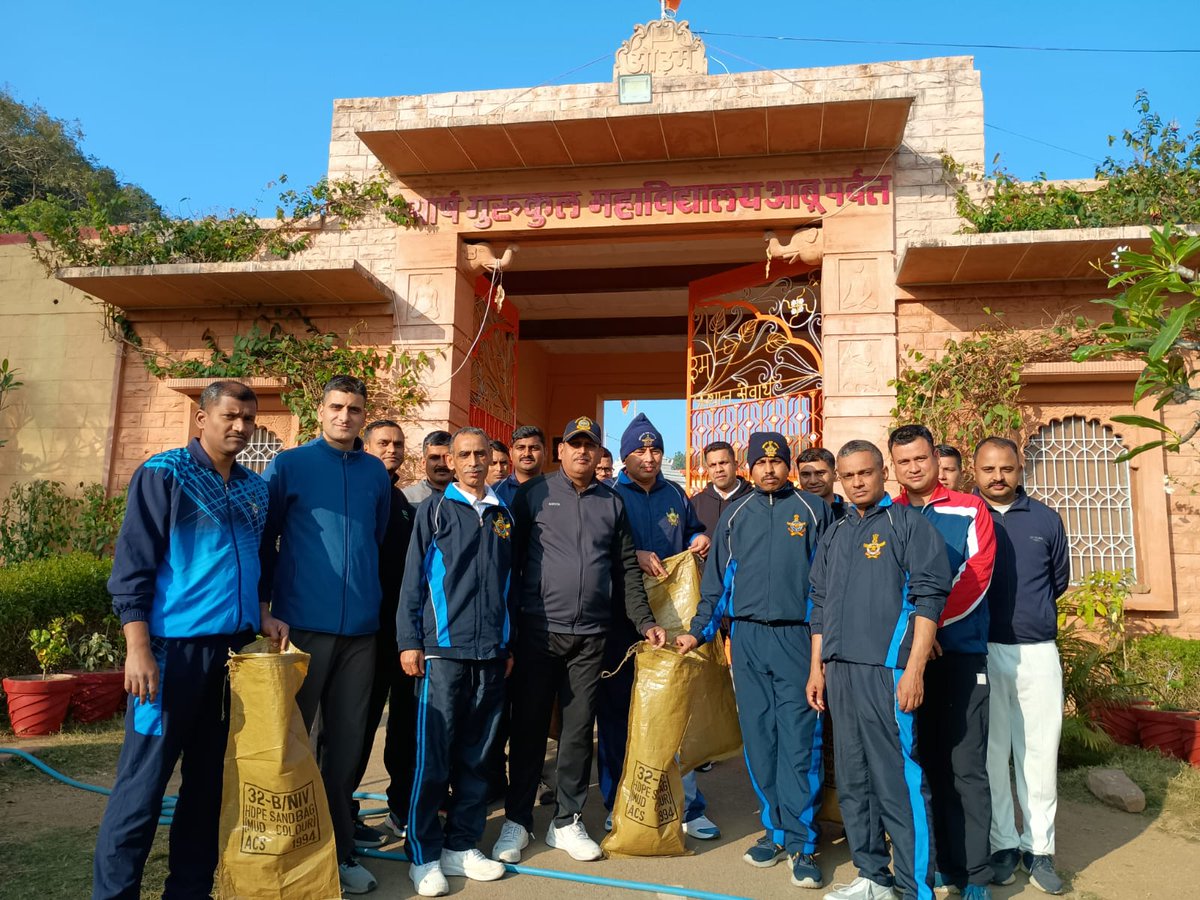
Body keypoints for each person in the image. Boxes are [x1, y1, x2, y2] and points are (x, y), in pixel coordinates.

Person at [93, 380, 278, 900]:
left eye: (249, 419)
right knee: (142, 787)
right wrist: (138, 648)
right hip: (171, 655)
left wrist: (263, 613)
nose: (240, 427)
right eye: (230, 416)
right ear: (203, 418)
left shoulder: (254, 487)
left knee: (207, 787)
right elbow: (133, 568)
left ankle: (190, 891)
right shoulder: (164, 474)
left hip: (232, 657)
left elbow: (262, 563)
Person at [492, 415, 667, 864]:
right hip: (538, 632)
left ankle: (566, 821)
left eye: (590, 446)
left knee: (576, 733)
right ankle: (516, 820)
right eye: (575, 445)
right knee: (529, 728)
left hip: (591, 637)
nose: (583, 452)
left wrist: (645, 622)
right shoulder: (534, 495)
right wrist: (508, 632)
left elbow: (627, 568)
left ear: (596, 453)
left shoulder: (612, 503)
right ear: (561, 451)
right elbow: (509, 567)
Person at [677, 431, 833, 889]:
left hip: (798, 640)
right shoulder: (735, 515)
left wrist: (823, 652)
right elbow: (716, 587)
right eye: (760, 463)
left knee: (800, 740)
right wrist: (698, 632)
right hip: (745, 640)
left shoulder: (813, 510)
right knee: (760, 740)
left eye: (777, 462)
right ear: (750, 466)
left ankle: (803, 843)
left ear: (788, 465)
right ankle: (775, 830)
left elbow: (828, 585)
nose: (769, 469)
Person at [259, 375, 392, 895]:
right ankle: (286, 846)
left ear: (364, 416)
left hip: (361, 631)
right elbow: (266, 537)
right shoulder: (289, 465)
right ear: (320, 411)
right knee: (292, 742)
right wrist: (266, 608)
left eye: (354, 409)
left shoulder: (375, 473)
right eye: (336, 406)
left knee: (346, 746)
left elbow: (374, 539)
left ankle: (340, 852)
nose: (345, 416)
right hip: (299, 627)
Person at [807, 439, 951, 900]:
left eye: (864, 473)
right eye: (847, 476)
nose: (856, 482)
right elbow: (820, 605)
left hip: (887, 673)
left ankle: (916, 889)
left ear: (882, 471)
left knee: (899, 783)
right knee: (853, 780)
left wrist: (914, 671)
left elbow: (929, 599)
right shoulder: (835, 532)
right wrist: (817, 668)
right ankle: (873, 876)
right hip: (840, 671)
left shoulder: (908, 525)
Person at [399, 427, 513, 897]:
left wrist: (507, 644)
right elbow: (412, 580)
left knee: (479, 756)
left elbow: (511, 581)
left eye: (479, 454)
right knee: (434, 756)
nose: (471, 462)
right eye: (462, 455)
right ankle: (423, 854)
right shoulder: (435, 509)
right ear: (451, 459)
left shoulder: (503, 512)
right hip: (442, 651)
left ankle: (462, 844)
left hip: (490, 653)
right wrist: (410, 641)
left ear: (490, 459)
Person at [890, 425, 997, 899]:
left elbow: (976, 576)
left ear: (936, 459)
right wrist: (914, 636)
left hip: (959, 651)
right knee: (922, 762)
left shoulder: (970, 509)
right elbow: (886, 584)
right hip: (907, 658)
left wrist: (927, 626)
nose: (913, 468)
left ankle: (974, 872)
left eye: (920, 458)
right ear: (893, 466)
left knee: (965, 765)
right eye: (903, 461)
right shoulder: (887, 515)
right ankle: (932, 865)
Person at [608, 412, 718, 839]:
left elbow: (693, 530)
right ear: (625, 457)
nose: (650, 457)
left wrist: (697, 539)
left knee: (677, 711)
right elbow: (599, 551)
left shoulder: (675, 493)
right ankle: (620, 802)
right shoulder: (610, 495)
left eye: (655, 449)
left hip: (672, 620)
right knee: (622, 714)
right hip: (623, 620)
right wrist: (632, 557)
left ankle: (689, 806)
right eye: (640, 450)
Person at [973, 437, 1070, 895]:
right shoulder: (968, 518)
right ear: (975, 471)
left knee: (1038, 754)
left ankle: (1040, 849)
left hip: (1037, 652)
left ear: (1020, 469)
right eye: (989, 468)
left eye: (1007, 468)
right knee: (992, 755)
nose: (998, 477)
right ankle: (1003, 845)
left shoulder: (1046, 520)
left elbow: (1059, 581)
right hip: (983, 651)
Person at [349, 419, 417, 847]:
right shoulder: (357, 494)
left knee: (405, 728)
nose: (391, 450)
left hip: (403, 633)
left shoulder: (404, 502)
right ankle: (344, 812)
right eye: (383, 443)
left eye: (397, 444)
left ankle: (401, 807)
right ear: (367, 447)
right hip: (363, 632)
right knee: (357, 726)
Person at [690, 439, 753, 537]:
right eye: (713, 465)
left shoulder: (754, 499)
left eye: (723, 463)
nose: (718, 469)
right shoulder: (695, 504)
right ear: (707, 469)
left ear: (736, 465)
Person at [494, 424, 546, 506]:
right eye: (521, 448)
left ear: (545, 453)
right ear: (511, 453)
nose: (526, 454)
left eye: (534, 448)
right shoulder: (495, 492)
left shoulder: (557, 490)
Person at [404, 430, 453, 505]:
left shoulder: (469, 496)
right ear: (423, 463)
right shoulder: (406, 498)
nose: (442, 464)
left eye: (447, 458)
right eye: (435, 458)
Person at [797, 447, 847, 520]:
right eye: (805, 474)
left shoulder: (851, 514)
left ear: (835, 474)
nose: (813, 481)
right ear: (799, 478)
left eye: (820, 473)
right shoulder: (791, 513)